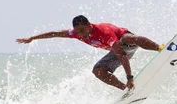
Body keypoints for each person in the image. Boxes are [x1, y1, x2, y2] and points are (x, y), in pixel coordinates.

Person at [16, 15, 161, 91]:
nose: (82, 35)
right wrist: (32, 38)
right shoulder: (76, 33)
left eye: (83, 31)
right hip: (116, 52)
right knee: (98, 71)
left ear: (89, 25)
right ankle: (126, 90)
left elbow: (122, 54)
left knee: (130, 38)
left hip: (124, 45)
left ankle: (161, 48)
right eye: (78, 32)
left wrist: (130, 77)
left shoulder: (103, 32)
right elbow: (54, 33)